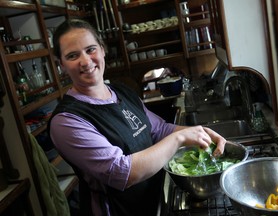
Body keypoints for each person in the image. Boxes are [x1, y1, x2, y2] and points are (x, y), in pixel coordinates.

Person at [49, 19, 226, 216]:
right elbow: (121, 172)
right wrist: (180, 138)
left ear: (102, 49)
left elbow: (159, 129)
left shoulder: (122, 92)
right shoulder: (67, 121)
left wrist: (201, 132)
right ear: (61, 65)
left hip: (155, 199)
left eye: (90, 49)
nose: (85, 61)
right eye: (72, 56)